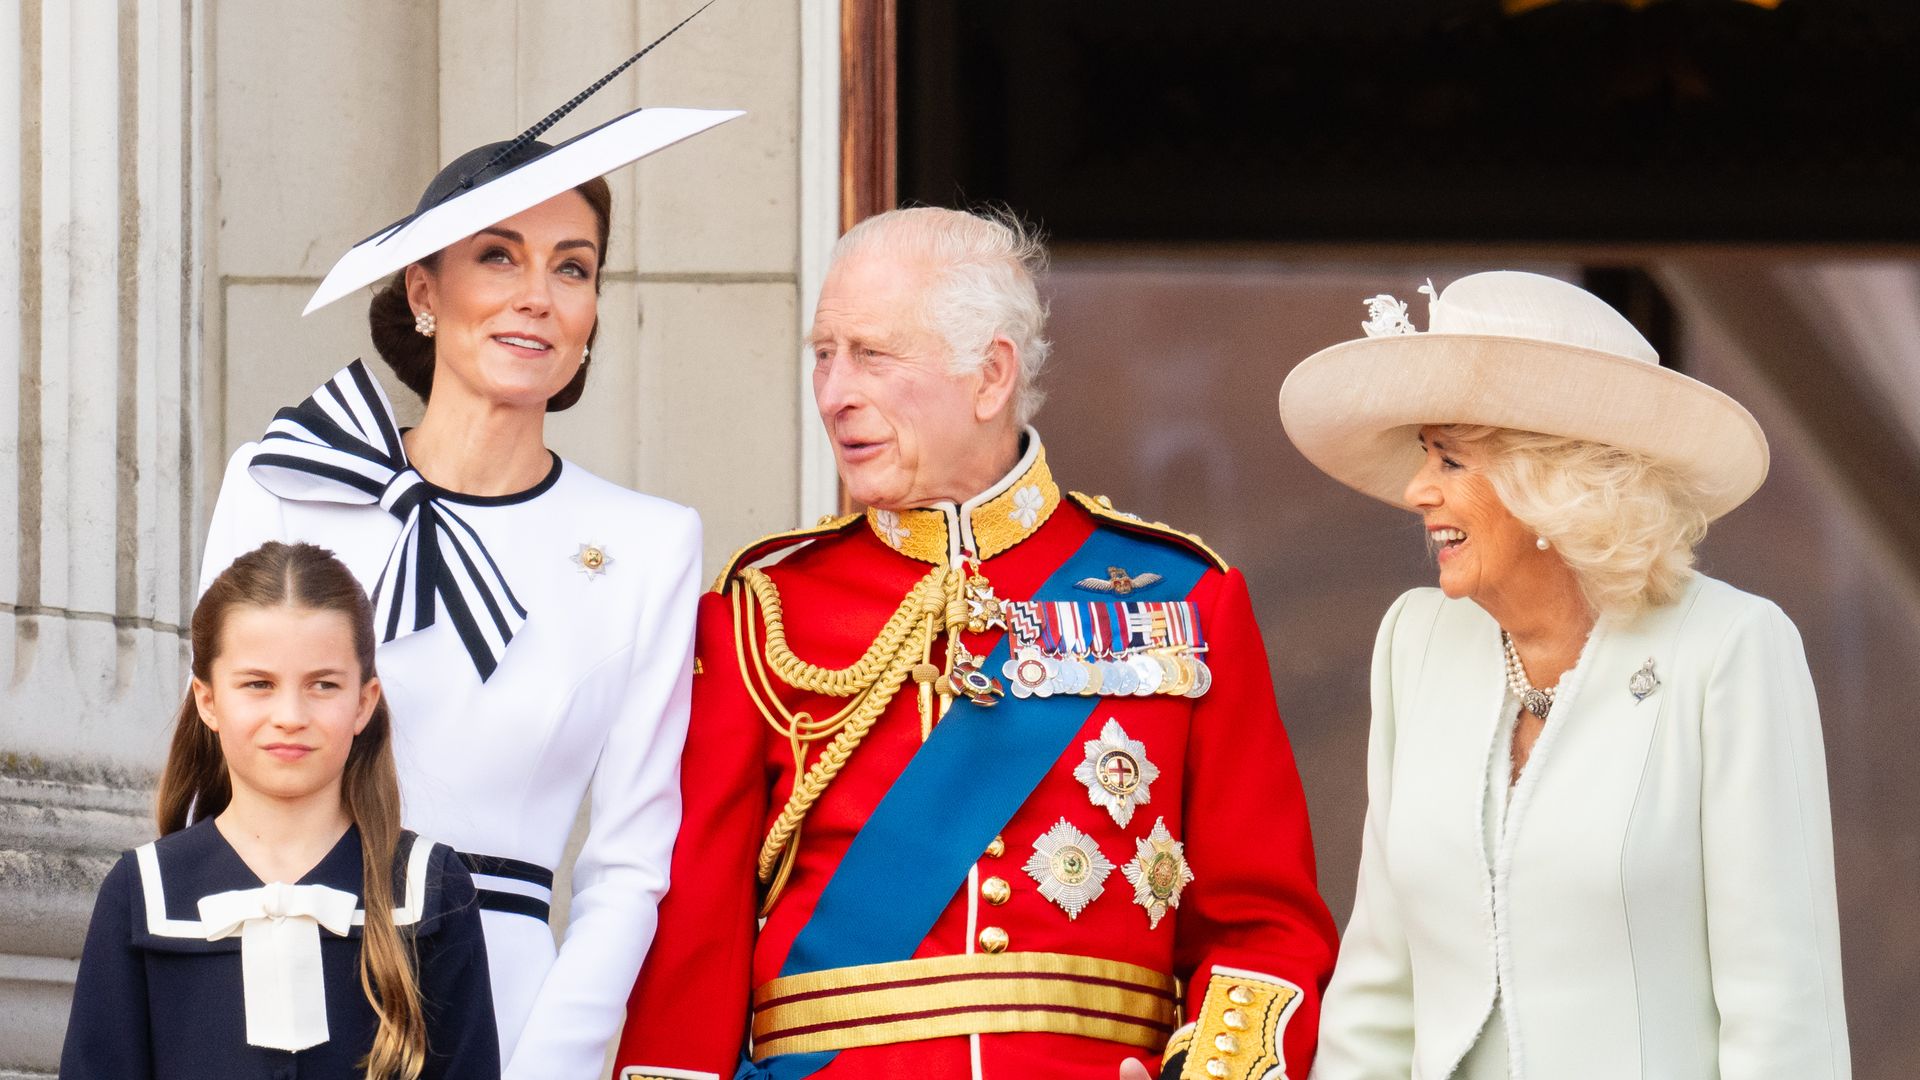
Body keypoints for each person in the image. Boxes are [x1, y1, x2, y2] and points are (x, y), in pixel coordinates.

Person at [615, 207, 1338, 1080]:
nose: (835, 391)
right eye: (823, 353)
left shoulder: (1187, 597)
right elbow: (694, 938)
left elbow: (1263, 927)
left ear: (990, 376)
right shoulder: (758, 610)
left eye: (873, 355)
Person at [197, 57, 736, 1076]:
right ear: (423, 292)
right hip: (281, 981)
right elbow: (211, 774)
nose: (538, 297)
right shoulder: (283, 485)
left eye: (572, 267)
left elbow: (628, 864)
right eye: (499, 257)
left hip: (505, 1006)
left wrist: (549, 1066)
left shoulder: (647, 543)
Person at [1277, 271, 1851, 1079]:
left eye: (1449, 458)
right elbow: (1379, 989)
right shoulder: (1416, 641)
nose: (1417, 490)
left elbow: (1782, 1011)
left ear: (1550, 481)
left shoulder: (1728, 649)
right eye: (1422, 456)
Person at [61, 541, 498, 1079]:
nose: (290, 715)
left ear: (363, 702)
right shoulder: (142, 890)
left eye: (323, 685)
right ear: (208, 700)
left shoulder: (430, 887)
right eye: (258, 684)